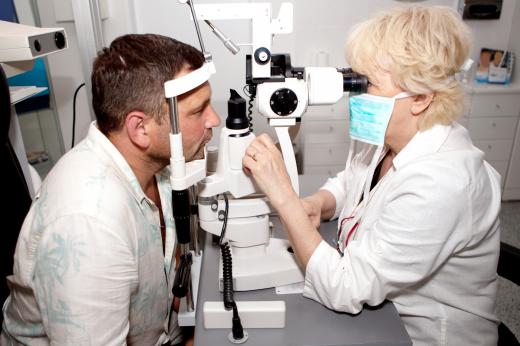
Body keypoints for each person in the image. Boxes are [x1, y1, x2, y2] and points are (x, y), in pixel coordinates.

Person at [243, 6, 501, 346]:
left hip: (422, 335)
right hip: (382, 313)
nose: (356, 93)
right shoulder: (389, 136)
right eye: (356, 77)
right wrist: (321, 202)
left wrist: (285, 199)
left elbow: (345, 288)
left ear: (421, 98)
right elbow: (352, 179)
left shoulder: (443, 183)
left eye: (369, 83)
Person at [1, 33, 220, 345]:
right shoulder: (90, 224)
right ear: (140, 129)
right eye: (199, 111)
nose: (215, 119)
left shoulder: (161, 168)